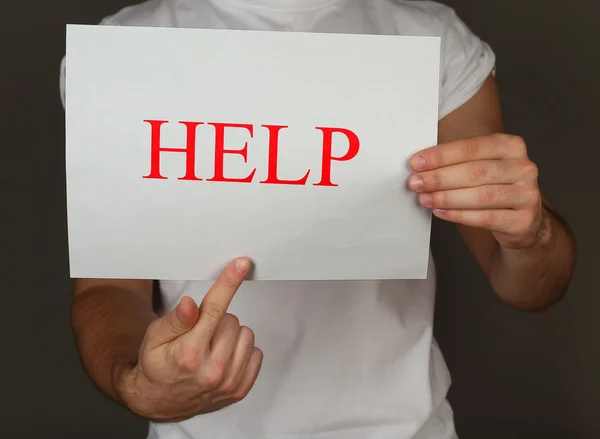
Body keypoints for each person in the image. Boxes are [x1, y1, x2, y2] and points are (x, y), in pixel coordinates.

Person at [59, 1, 576, 438]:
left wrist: (534, 233)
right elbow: (107, 289)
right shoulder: (129, 47)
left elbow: (530, 286)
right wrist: (138, 385)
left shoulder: (431, 38)